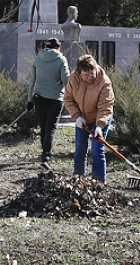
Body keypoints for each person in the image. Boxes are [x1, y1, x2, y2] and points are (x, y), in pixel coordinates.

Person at [63, 54, 115, 183]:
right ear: (80, 73)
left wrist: (99, 126)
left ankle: (99, 184)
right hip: (82, 120)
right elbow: (68, 99)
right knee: (80, 149)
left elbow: (106, 106)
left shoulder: (104, 82)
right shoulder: (73, 79)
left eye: (92, 73)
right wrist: (77, 116)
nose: (90, 77)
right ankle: (78, 180)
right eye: (86, 75)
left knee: (97, 150)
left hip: (100, 119)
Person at [27, 37, 70, 169]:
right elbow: (66, 80)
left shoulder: (38, 58)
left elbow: (31, 81)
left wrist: (29, 100)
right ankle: (46, 155)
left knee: (43, 127)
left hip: (39, 98)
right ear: (58, 47)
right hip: (55, 99)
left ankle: (44, 154)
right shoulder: (61, 59)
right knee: (50, 128)